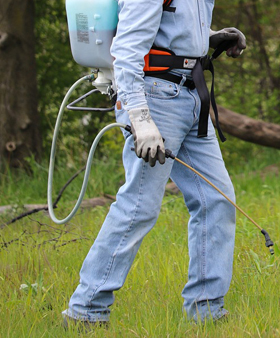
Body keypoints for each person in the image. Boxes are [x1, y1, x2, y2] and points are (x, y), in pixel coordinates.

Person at [62, 0, 246, 326]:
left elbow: (170, 32)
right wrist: (141, 119)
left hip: (190, 94)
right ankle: (85, 312)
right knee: (139, 207)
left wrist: (208, 39)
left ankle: (207, 311)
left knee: (217, 198)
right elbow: (128, 49)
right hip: (156, 99)